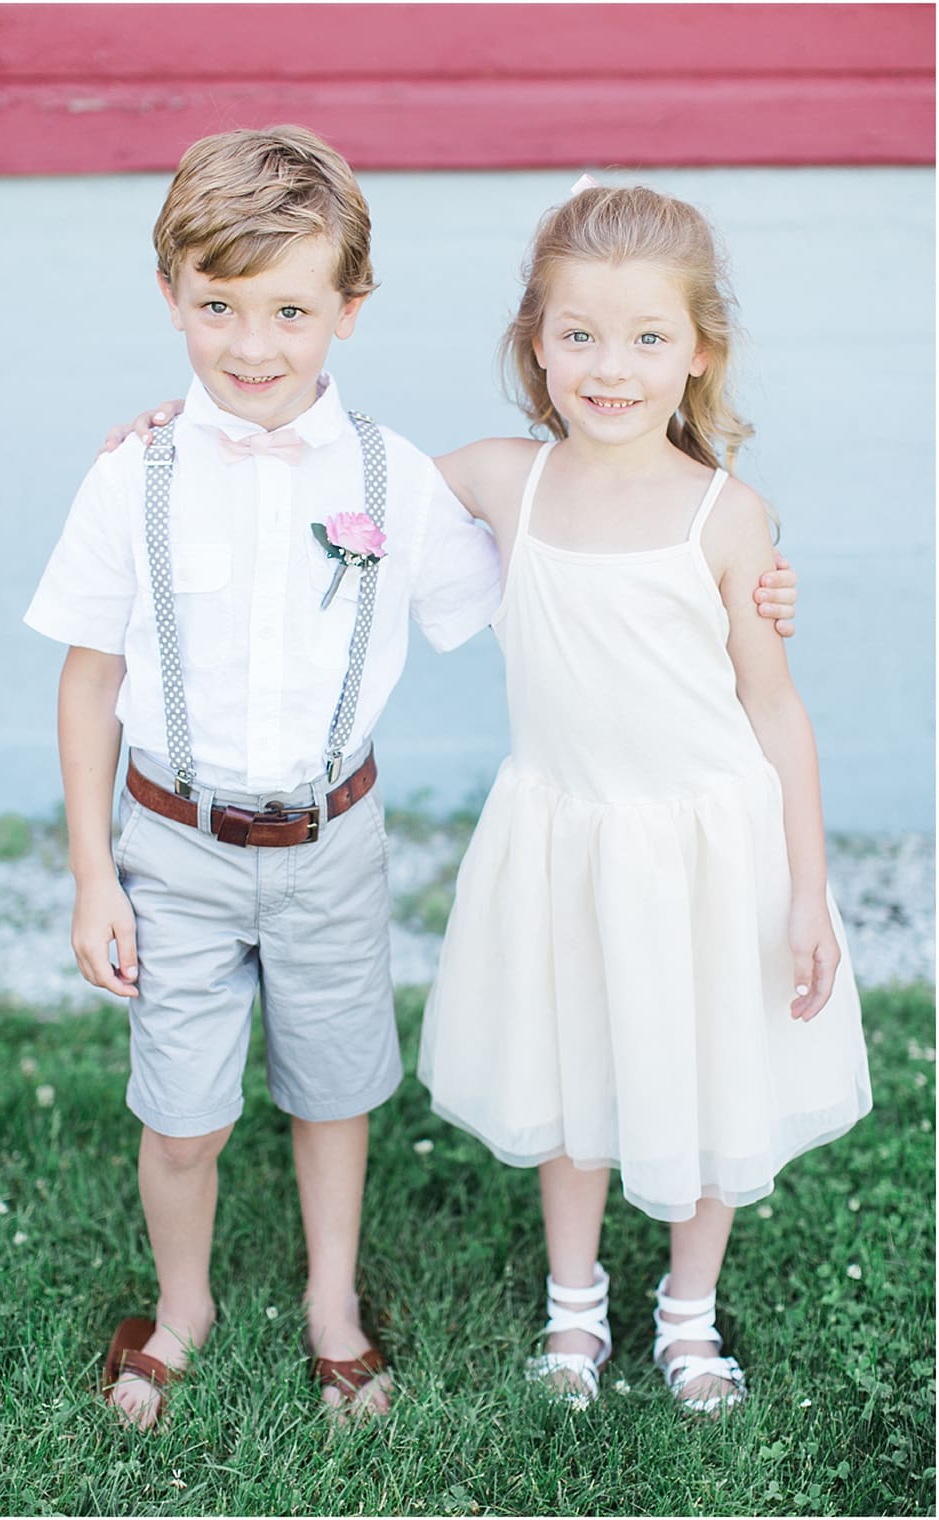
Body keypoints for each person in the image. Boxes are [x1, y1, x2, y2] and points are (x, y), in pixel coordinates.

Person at [35, 126, 804, 1430]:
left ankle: (334, 1308)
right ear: (171, 294)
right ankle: (182, 1308)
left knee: (335, 1093)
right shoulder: (133, 476)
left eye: (289, 309)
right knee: (181, 1112)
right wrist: (92, 871)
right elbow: (91, 680)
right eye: (218, 307)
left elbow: (571, 570)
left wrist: (746, 584)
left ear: (349, 308)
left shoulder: (396, 480)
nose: (253, 345)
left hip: (336, 842)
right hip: (174, 841)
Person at [416, 182, 870, 1414]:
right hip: (563, 833)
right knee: (570, 1069)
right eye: (577, 336)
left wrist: (807, 888)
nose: (608, 368)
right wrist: (170, 433)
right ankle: (574, 1308)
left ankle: (685, 1312)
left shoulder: (727, 517)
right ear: (534, 344)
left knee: (705, 1064)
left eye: (645, 338)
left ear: (696, 353)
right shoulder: (501, 479)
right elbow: (346, 470)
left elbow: (773, 709)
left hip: (708, 847)